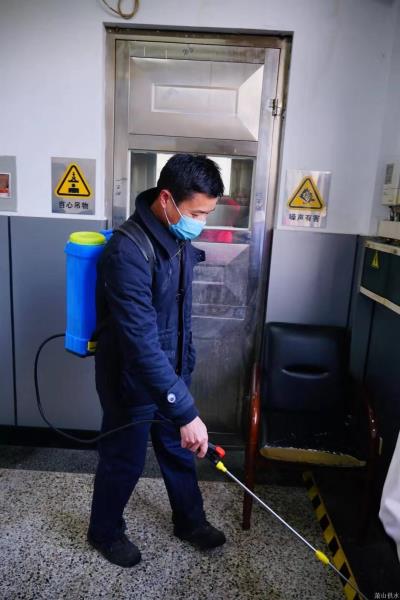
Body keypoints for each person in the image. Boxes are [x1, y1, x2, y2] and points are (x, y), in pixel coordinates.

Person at [87, 154, 226, 567]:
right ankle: (104, 532)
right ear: (166, 199)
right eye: (197, 214)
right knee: (124, 460)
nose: (201, 223)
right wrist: (184, 409)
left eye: (207, 214)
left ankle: (190, 522)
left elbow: (179, 315)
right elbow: (140, 343)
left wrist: (185, 369)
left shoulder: (177, 238)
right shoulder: (127, 252)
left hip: (170, 371)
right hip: (129, 377)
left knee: (179, 450)